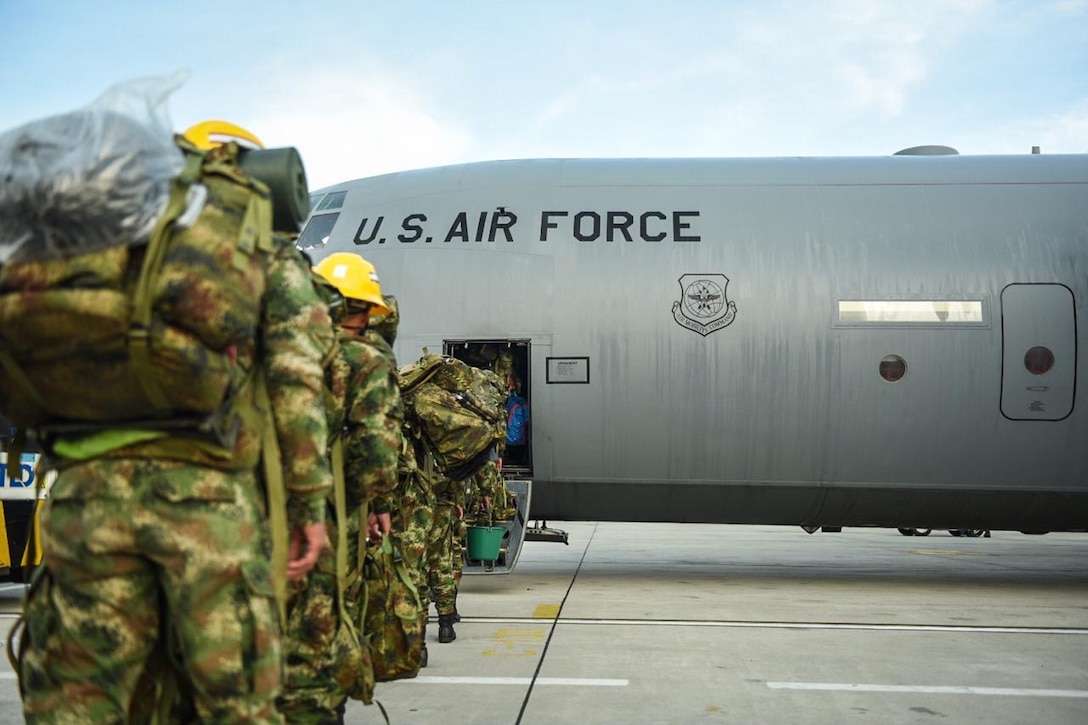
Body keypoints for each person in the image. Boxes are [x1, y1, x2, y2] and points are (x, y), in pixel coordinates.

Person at [17, 121, 333, 723]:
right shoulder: (254, 245)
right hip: (202, 500)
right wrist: (309, 508)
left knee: (80, 699)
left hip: (84, 496)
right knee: (235, 699)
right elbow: (296, 385)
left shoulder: (93, 244)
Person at [276, 253, 404, 721]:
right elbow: (375, 462)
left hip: (250, 516)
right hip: (325, 521)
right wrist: (379, 502)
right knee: (316, 642)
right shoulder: (362, 360)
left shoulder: (273, 351)